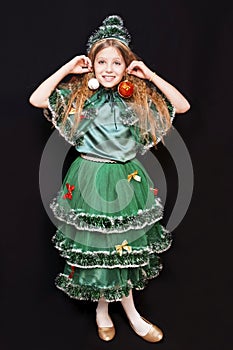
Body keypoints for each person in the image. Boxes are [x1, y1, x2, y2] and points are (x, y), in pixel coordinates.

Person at [29, 15, 190, 343]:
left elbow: (181, 106)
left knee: (122, 247)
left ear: (126, 67)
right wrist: (68, 68)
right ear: (92, 66)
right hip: (89, 176)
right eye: (101, 61)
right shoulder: (82, 97)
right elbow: (37, 99)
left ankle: (128, 312)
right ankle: (108, 311)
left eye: (116, 62)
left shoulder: (136, 98)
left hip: (125, 177)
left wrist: (149, 74)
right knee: (100, 247)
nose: (108, 68)